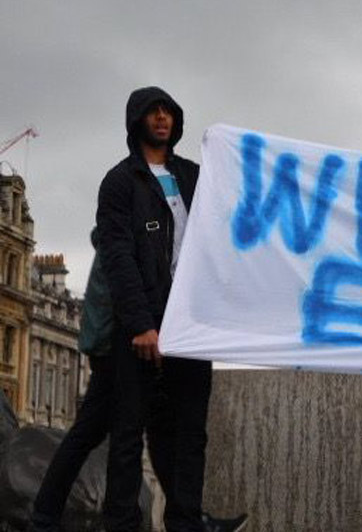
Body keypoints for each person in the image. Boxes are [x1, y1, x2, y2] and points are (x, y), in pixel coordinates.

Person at [28, 232, 247, 532]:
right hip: (120, 349)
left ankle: (190, 519)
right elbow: (111, 296)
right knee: (91, 434)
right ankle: (44, 518)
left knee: (157, 432)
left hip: (134, 347)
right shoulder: (124, 232)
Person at [97, 87, 211, 532]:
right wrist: (142, 323)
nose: (162, 119)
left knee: (190, 434)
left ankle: (186, 522)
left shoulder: (196, 176)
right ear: (137, 120)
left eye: (168, 112)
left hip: (192, 324)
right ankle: (122, 524)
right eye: (153, 112)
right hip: (141, 328)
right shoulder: (121, 181)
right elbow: (117, 255)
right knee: (128, 434)